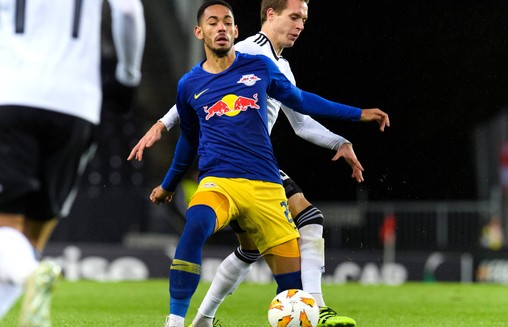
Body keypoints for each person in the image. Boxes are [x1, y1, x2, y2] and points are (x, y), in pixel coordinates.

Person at [129, 0, 376, 326]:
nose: (300, 24)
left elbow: (300, 114)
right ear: (270, 15)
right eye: (294, 16)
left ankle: (210, 318)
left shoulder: (270, 67)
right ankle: (179, 320)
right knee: (203, 226)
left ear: (235, 27)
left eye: (304, 18)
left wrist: (343, 136)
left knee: (262, 259)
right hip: (222, 175)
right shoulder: (237, 53)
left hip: (262, 176)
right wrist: (162, 127)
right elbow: (192, 106)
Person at [0, 1, 145, 326]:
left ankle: (31, 273)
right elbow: (128, 12)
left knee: (5, 227)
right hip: (77, 106)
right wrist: (128, 76)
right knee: (31, 236)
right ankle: (30, 281)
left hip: (12, 95)